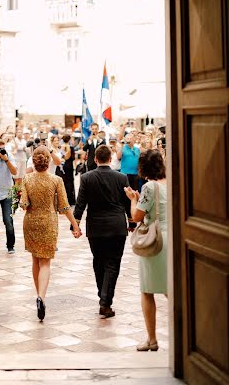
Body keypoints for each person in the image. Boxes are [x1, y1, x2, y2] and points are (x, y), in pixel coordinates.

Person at [20, 146, 82, 321]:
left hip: (31, 221)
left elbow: (24, 205)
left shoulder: (27, 179)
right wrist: (75, 225)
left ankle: (38, 294)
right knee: (45, 262)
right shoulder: (56, 180)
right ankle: (41, 296)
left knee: (35, 259)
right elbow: (64, 207)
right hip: (49, 222)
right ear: (48, 162)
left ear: (34, 161)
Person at [74, 145, 129, 319]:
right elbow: (127, 204)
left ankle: (103, 297)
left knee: (99, 262)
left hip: (95, 228)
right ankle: (105, 301)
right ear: (111, 159)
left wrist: (75, 225)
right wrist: (132, 223)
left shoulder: (86, 178)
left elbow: (80, 204)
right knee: (112, 264)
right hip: (116, 226)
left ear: (95, 159)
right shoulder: (121, 178)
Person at [124, 149, 167, 352]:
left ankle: (151, 339)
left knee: (147, 289)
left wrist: (133, 199)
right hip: (171, 238)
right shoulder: (171, 183)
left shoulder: (150, 187)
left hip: (154, 240)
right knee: (171, 288)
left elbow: (137, 217)